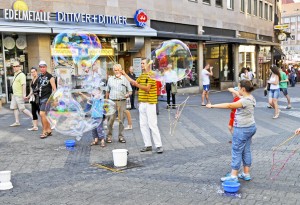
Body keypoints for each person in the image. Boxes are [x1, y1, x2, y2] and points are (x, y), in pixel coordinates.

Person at [206, 80, 256, 182]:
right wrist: (232, 90)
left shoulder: (243, 101)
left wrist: (212, 106)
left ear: (243, 89)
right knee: (246, 150)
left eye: (238, 88)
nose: (237, 90)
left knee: (236, 150)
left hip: (242, 129)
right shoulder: (251, 98)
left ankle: (233, 176)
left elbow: (229, 105)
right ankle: (246, 174)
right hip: (250, 127)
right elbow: (241, 95)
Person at [121, 58, 163, 154]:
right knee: (143, 125)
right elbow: (133, 82)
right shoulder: (142, 75)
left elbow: (147, 88)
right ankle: (147, 145)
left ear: (149, 64)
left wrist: (137, 84)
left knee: (152, 125)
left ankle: (158, 145)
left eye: (143, 63)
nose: (141, 65)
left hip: (150, 103)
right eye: (141, 63)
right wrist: (124, 74)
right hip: (142, 103)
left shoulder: (152, 75)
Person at [106, 64, 132, 143]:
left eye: (118, 70)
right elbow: (107, 91)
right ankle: (109, 136)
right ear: (113, 71)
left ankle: (121, 136)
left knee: (121, 120)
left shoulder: (125, 79)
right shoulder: (110, 79)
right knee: (110, 119)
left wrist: (128, 94)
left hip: (122, 101)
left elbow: (130, 90)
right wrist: (106, 102)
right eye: (115, 70)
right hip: (111, 101)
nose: (117, 71)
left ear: (121, 70)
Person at [9, 61, 33, 127]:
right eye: (13, 66)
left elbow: (24, 85)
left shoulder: (21, 75)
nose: (15, 67)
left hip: (19, 95)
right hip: (14, 94)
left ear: (19, 67)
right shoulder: (15, 74)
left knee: (22, 109)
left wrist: (24, 95)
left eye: (16, 66)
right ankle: (17, 122)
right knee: (14, 108)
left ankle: (33, 118)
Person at [38, 60, 57, 139]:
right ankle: (49, 130)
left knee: (42, 114)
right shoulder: (40, 76)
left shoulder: (50, 77)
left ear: (46, 67)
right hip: (40, 98)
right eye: (41, 67)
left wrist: (55, 100)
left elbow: (54, 89)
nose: (42, 68)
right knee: (44, 115)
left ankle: (44, 131)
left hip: (47, 98)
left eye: (43, 67)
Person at [25, 67, 40, 131]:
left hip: (38, 98)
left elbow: (39, 89)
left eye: (34, 71)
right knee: (33, 112)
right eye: (32, 72)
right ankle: (35, 127)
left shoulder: (39, 79)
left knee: (40, 112)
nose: (33, 73)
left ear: (36, 72)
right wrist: (28, 96)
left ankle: (50, 124)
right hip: (33, 98)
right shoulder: (32, 80)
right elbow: (32, 90)